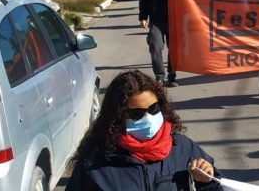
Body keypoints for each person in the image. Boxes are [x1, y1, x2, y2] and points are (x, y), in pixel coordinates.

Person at [66, 70, 222, 190]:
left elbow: (216, 187)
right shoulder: (95, 163)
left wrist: (208, 181)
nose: (148, 118)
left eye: (153, 108)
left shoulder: (183, 148)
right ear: (117, 116)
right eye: (137, 113)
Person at [139, 0, 177, 87]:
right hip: (156, 19)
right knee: (155, 46)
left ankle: (172, 75)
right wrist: (143, 17)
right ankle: (160, 75)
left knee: (173, 48)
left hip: (174, 18)